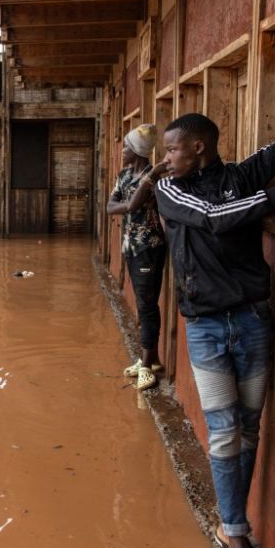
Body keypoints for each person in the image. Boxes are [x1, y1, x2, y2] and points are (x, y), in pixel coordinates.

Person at [136, 73, 275, 548]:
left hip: (252, 320)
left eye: (174, 148)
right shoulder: (171, 189)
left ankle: (232, 524)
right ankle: (238, 539)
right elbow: (216, 219)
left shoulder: (243, 175)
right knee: (225, 432)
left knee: (249, 428)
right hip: (204, 326)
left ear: (198, 148)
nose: (167, 157)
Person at [106, 124, 166, 390]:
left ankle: (147, 366)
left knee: (147, 304)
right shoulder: (124, 175)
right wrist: (127, 206)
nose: (123, 151)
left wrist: (129, 203)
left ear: (139, 151)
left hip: (149, 247)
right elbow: (111, 207)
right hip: (130, 246)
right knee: (144, 303)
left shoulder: (155, 179)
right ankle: (149, 359)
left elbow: (129, 205)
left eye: (128, 147)